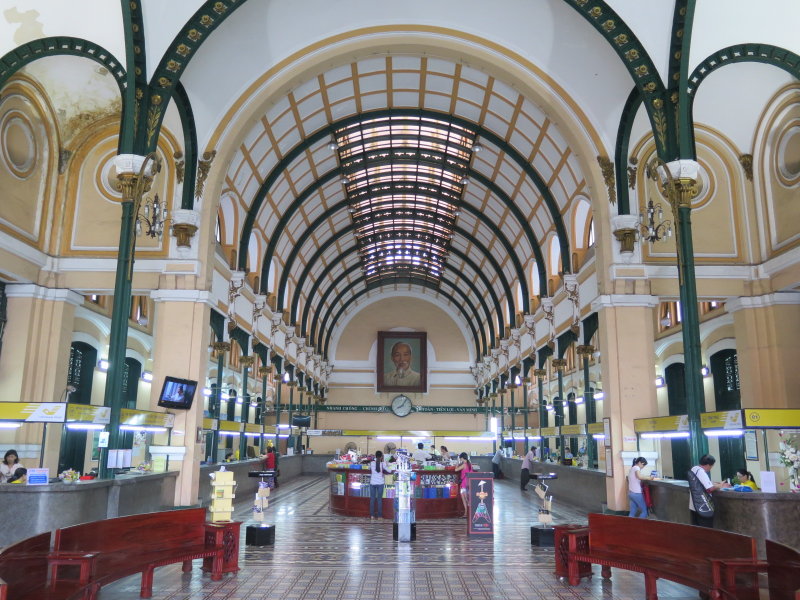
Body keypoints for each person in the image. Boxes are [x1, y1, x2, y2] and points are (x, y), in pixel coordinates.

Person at [689, 454, 731, 527]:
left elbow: (701, 483)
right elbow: (709, 489)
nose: (711, 468)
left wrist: (715, 483)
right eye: (712, 466)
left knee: (696, 529)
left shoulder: (694, 468)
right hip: (703, 507)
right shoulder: (702, 472)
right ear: (708, 465)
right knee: (706, 530)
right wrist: (721, 485)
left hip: (693, 506)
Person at [369, 450, 390, 519]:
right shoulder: (383, 464)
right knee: (379, 499)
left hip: (372, 483)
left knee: (372, 499)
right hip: (380, 483)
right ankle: (380, 516)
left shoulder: (372, 463)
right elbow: (389, 470)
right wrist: (387, 465)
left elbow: (370, 469)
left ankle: (372, 516)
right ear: (381, 457)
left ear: (375, 456)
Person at [454, 452, 473, 516]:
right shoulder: (469, 464)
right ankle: (468, 512)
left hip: (464, 484)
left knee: (465, 499)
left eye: (460, 458)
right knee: (467, 498)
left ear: (462, 458)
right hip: (469, 483)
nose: (460, 459)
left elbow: (456, 470)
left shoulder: (464, 465)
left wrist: (457, 461)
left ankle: (466, 513)